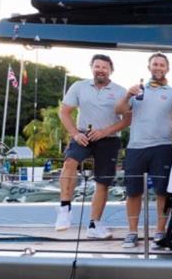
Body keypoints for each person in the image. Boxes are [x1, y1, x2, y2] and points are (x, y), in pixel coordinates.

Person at [54, 54, 130, 238]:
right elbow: (64, 112)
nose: (100, 70)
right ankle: (64, 209)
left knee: (102, 182)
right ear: (92, 68)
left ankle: (94, 225)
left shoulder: (120, 91)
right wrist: (75, 134)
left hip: (109, 138)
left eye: (104, 67)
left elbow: (128, 119)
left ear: (111, 70)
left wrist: (105, 132)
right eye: (97, 66)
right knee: (70, 162)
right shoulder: (79, 87)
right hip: (83, 134)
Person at [114, 53, 172, 248]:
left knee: (162, 192)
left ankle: (160, 231)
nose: (158, 67)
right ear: (149, 67)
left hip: (163, 146)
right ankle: (132, 232)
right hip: (136, 146)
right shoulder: (137, 90)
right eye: (155, 64)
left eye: (162, 65)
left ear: (167, 69)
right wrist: (127, 94)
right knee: (133, 192)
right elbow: (119, 110)